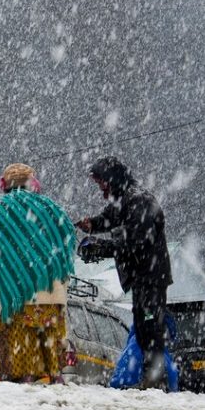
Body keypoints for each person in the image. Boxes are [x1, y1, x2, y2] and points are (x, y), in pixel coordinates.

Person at [0, 163, 74, 384]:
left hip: (11, 295)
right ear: (31, 182)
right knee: (53, 361)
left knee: (23, 361)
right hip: (49, 292)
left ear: (5, 184)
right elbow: (67, 233)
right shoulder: (50, 208)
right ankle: (56, 384)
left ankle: (26, 388)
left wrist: (6, 262)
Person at [76, 156, 173, 389]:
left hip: (151, 276)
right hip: (142, 276)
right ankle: (151, 378)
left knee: (150, 327)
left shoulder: (139, 200)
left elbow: (136, 240)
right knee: (142, 326)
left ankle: (156, 379)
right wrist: (92, 224)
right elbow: (110, 218)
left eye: (102, 182)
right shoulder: (125, 199)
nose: (100, 188)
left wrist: (103, 247)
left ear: (113, 179)